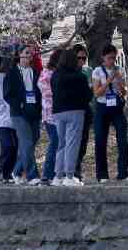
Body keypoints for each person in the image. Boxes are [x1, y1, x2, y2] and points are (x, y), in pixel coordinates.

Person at [52, 45, 91, 185]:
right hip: (75, 112)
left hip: (58, 112)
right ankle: (69, 175)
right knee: (72, 144)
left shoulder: (55, 75)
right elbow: (87, 96)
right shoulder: (79, 77)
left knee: (61, 144)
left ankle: (58, 176)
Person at [3, 45, 42, 185]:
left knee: (33, 140)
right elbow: (7, 94)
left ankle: (16, 171)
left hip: (34, 112)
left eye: (31, 54)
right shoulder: (12, 73)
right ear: (19, 54)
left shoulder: (36, 72)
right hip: (19, 113)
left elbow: (40, 92)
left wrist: (38, 108)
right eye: (26, 53)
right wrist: (19, 105)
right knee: (26, 142)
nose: (29, 56)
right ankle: (32, 175)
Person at [93, 43, 128, 183]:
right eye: (109, 58)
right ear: (103, 57)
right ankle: (102, 174)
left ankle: (123, 172)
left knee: (123, 140)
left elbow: (125, 91)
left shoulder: (119, 69)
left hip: (117, 107)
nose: (112, 61)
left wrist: (120, 83)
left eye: (114, 58)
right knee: (101, 141)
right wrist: (109, 81)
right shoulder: (97, 71)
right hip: (102, 107)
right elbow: (97, 93)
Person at [37, 48, 62, 185]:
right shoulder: (47, 73)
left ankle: (55, 173)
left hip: (60, 113)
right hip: (50, 114)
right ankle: (47, 174)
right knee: (55, 142)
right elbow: (47, 92)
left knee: (58, 143)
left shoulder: (59, 73)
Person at [0, 58, 16, 184]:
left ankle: (8, 173)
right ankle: (0, 168)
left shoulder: (13, 78)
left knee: (14, 146)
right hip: (2, 117)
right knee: (8, 145)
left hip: (14, 117)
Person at [72, 44, 94, 182]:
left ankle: (77, 167)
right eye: (78, 58)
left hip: (86, 109)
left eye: (84, 58)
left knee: (83, 142)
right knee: (74, 141)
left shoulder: (87, 71)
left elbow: (91, 90)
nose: (81, 60)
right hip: (72, 110)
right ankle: (73, 170)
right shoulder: (68, 72)